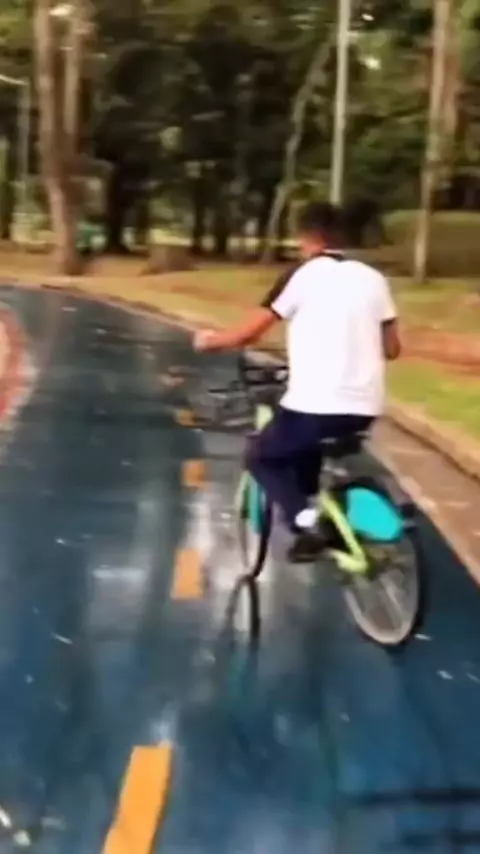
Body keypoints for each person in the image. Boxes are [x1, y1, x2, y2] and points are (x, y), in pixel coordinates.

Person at [194, 202, 401, 563]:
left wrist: (210, 341)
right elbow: (393, 349)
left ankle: (307, 523)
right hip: (366, 407)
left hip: (316, 405)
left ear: (309, 237)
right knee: (304, 448)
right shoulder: (374, 279)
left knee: (260, 457)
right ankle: (320, 518)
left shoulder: (302, 275)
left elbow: (249, 333)